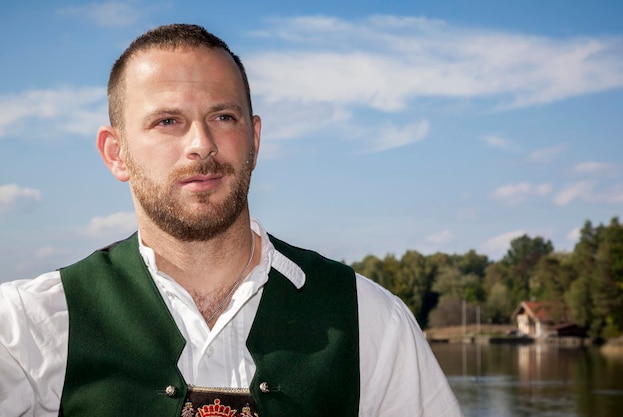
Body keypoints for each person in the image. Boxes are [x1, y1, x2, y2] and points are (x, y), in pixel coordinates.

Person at [0, 24, 463, 417]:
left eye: (223, 116)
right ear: (116, 153)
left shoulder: (372, 322)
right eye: (167, 121)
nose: (201, 143)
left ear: (255, 139)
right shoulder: (26, 330)